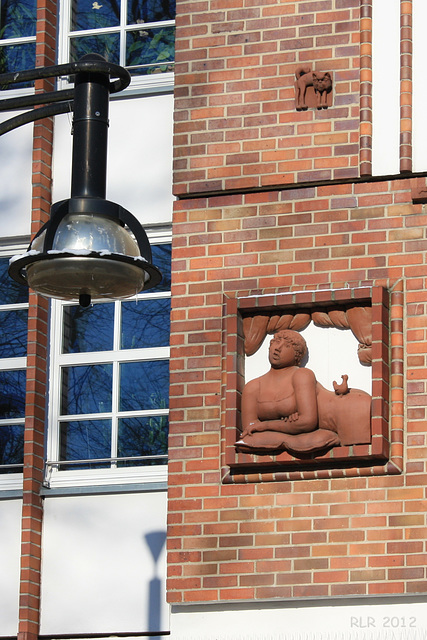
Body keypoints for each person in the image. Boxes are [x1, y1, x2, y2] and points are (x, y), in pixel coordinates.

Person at [235, 329, 371, 455]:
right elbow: (250, 431)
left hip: (350, 413)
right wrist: (288, 427)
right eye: (275, 342)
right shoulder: (252, 387)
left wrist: (266, 425)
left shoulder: (302, 375)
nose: (277, 348)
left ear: (297, 355)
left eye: (287, 346)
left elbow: (307, 421)